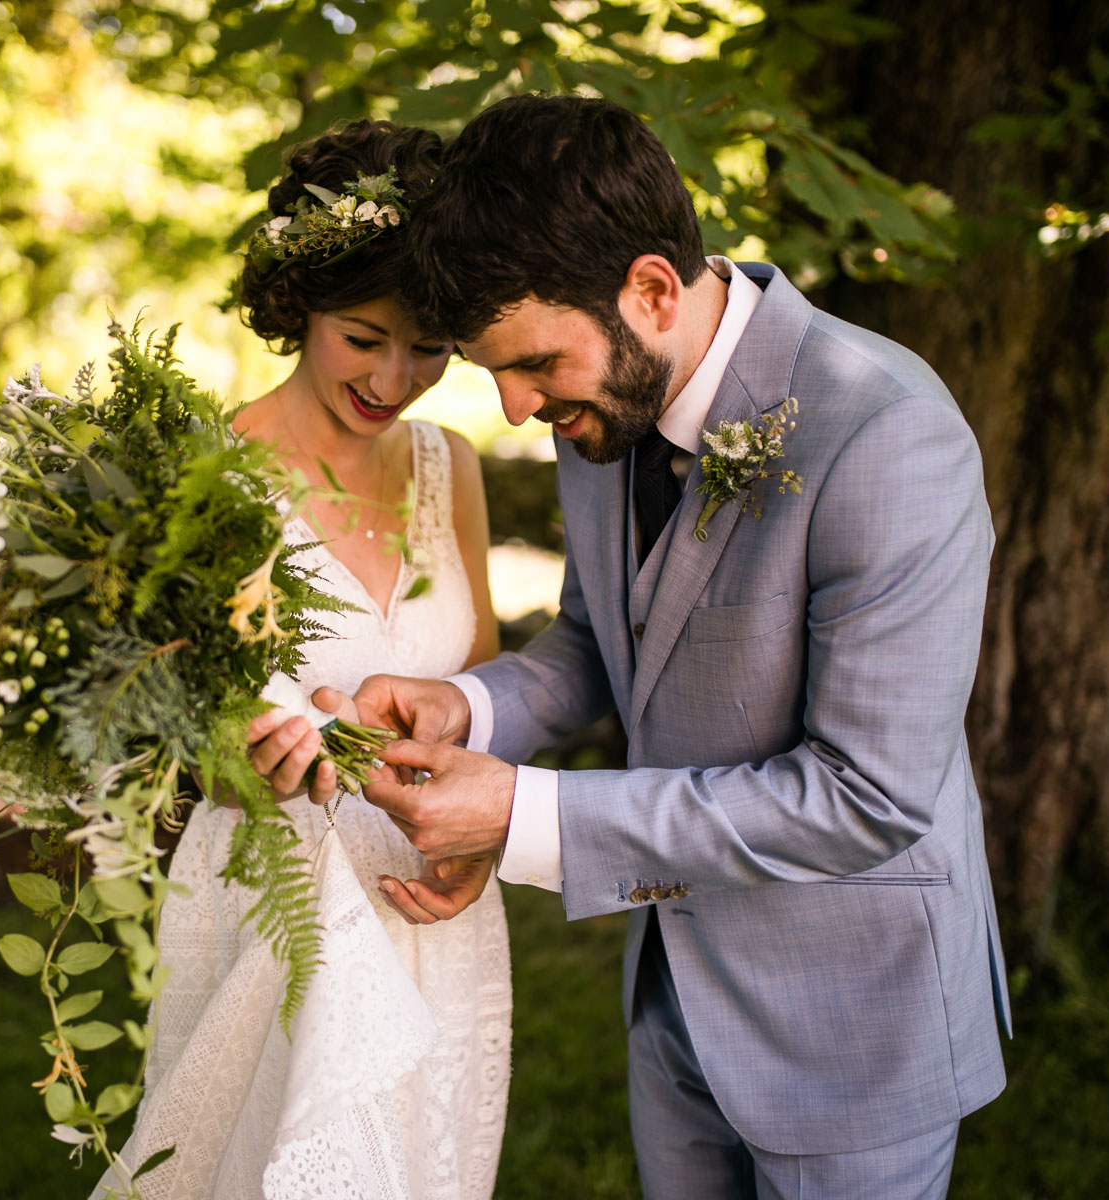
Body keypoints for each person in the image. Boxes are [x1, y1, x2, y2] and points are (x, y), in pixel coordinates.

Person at [312, 94, 1011, 1198]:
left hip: (851, 1024)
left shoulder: (885, 432)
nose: (514, 408)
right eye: (494, 373)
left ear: (650, 290)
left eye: (534, 364)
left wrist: (526, 815)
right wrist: (471, 707)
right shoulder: (603, 404)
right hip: (673, 1000)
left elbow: (868, 797)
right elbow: (603, 640)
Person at [92, 120, 510, 1200]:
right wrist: (239, 751)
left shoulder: (451, 468)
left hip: (433, 898)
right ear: (296, 303)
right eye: (364, 337)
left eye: (430, 347)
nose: (395, 378)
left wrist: (481, 832)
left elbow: (485, 687)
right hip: (274, 904)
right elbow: (168, 722)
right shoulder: (211, 471)